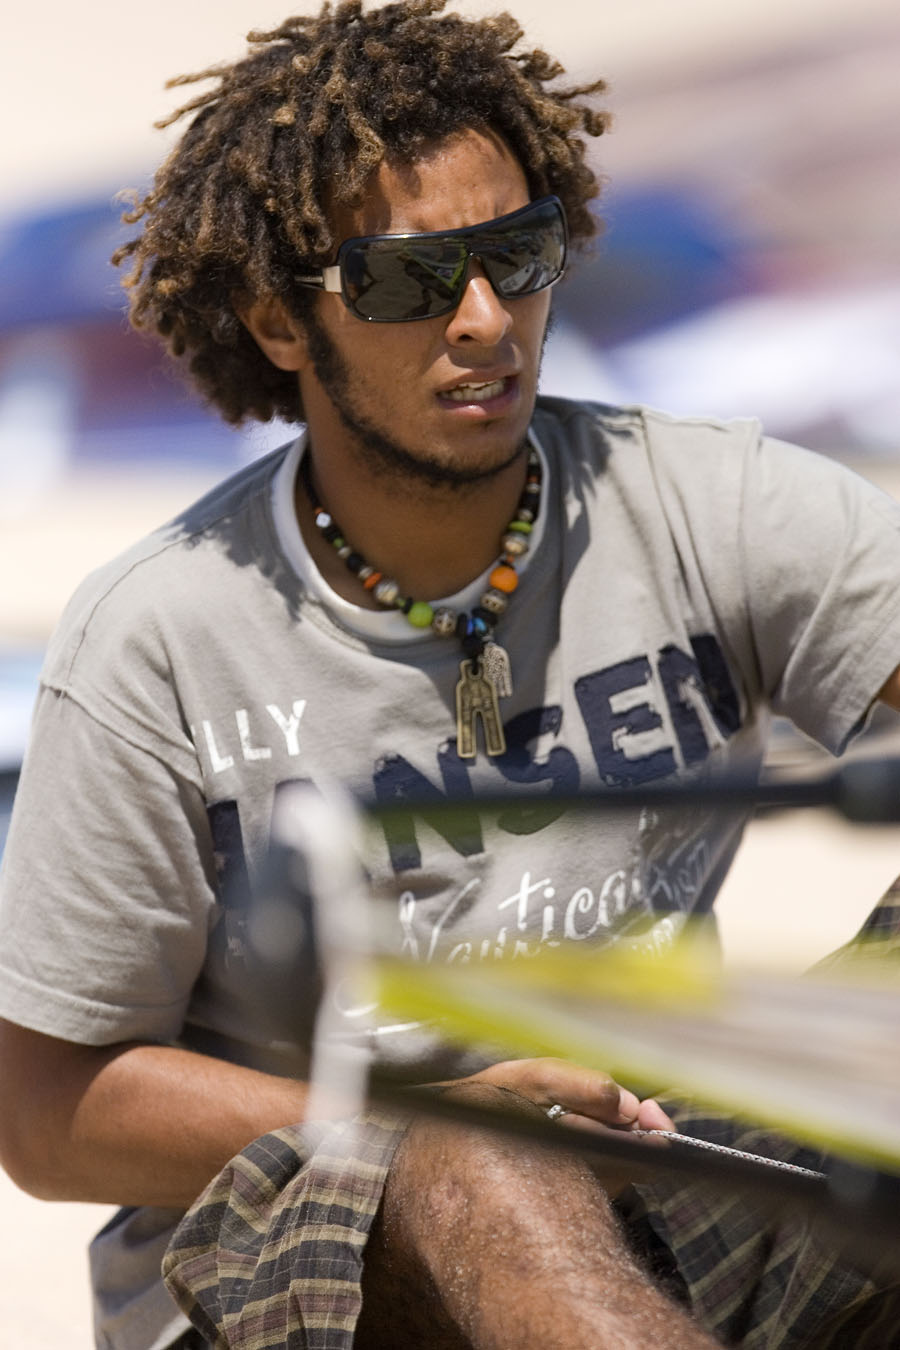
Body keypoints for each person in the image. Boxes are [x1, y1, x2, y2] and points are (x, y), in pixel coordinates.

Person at [1, 2, 899, 1346]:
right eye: (410, 279)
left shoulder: (714, 503)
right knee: (477, 1154)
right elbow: (46, 1112)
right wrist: (422, 1118)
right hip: (306, 1249)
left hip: (673, 1166)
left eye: (517, 256)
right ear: (282, 321)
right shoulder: (154, 639)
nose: (485, 320)